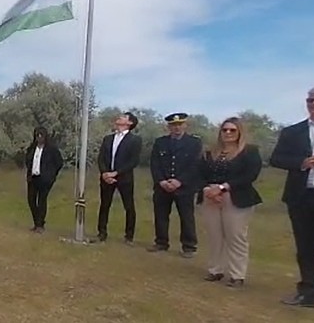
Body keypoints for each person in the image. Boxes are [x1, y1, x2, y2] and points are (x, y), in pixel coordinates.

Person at [270, 84, 314, 308]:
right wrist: (301, 163)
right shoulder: (293, 131)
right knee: (306, 249)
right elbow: (276, 159)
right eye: (311, 100)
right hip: (301, 198)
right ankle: (308, 295)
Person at [198, 117, 263, 288]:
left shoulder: (249, 151)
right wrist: (208, 190)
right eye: (225, 130)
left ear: (239, 132)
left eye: (232, 130)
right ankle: (215, 270)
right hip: (210, 197)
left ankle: (237, 275)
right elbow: (198, 173)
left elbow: (250, 175)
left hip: (236, 196)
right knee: (215, 236)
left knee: (235, 236)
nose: (228, 133)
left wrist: (223, 188)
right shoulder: (210, 152)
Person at [148, 113, 203, 258]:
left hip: (184, 187)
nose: (177, 128)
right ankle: (161, 242)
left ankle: (189, 246)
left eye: (180, 125)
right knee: (161, 215)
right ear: (169, 127)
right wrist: (161, 181)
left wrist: (180, 181)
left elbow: (195, 165)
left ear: (185, 125)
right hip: (163, 186)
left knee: (186, 216)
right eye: (173, 125)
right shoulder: (160, 142)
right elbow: (155, 163)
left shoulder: (194, 143)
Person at [96, 112, 143, 245]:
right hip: (106, 178)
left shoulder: (135, 140)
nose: (119, 117)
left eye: (123, 117)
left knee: (128, 206)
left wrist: (116, 173)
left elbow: (133, 161)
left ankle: (129, 236)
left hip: (124, 178)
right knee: (104, 205)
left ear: (130, 123)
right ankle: (102, 233)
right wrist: (104, 173)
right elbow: (101, 157)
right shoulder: (108, 138)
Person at [24, 126, 64, 233]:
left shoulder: (51, 149)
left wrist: (52, 174)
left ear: (45, 137)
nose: (39, 138)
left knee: (42, 200)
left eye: (41, 136)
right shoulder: (32, 148)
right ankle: (36, 222)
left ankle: (40, 224)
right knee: (31, 200)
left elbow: (59, 162)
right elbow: (27, 160)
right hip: (33, 178)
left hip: (45, 179)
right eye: (37, 136)